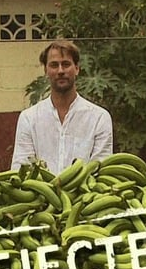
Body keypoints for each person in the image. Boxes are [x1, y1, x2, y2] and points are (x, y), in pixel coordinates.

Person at [11, 40, 113, 174]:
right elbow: (22, 169)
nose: (60, 71)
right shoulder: (29, 119)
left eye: (66, 64)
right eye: (54, 65)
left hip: (86, 193)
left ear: (77, 68)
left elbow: (100, 170)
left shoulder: (99, 118)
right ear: (46, 71)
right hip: (41, 194)